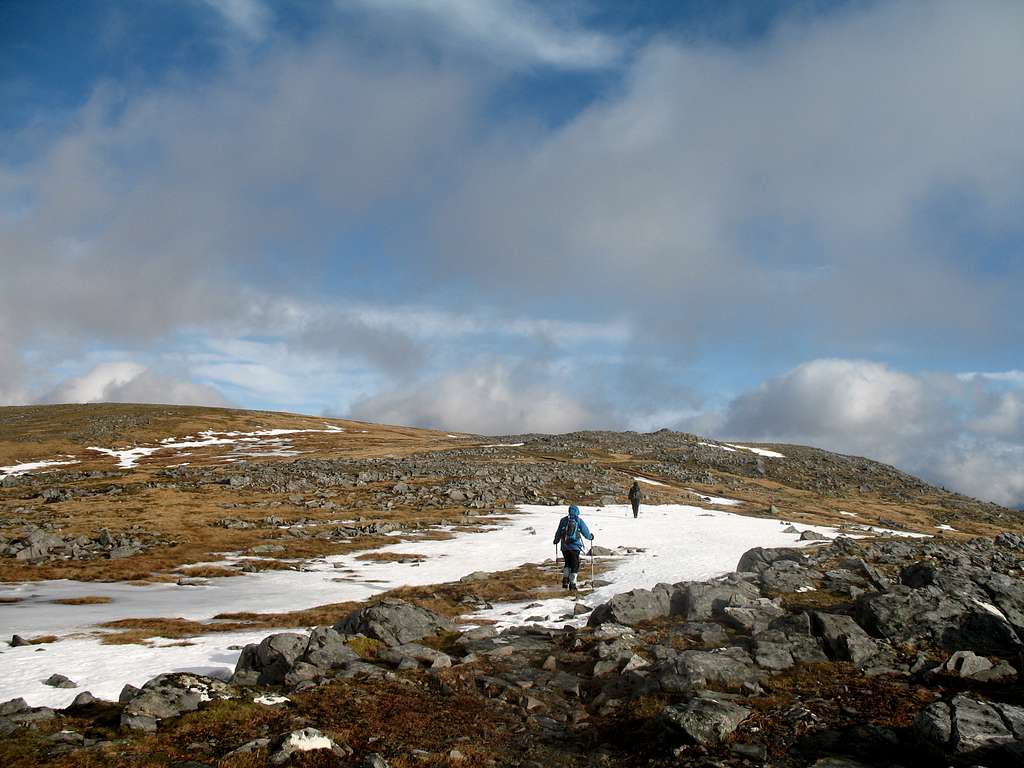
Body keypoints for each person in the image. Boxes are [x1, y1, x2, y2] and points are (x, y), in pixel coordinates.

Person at [553, 504, 594, 591]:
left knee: (567, 563)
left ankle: (565, 580)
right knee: (575, 565)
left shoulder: (563, 520)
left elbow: (558, 532)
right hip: (575, 546)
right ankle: (572, 584)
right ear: (577, 512)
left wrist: (556, 540)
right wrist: (591, 537)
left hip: (564, 547)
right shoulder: (578, 520)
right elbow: (586, 533)